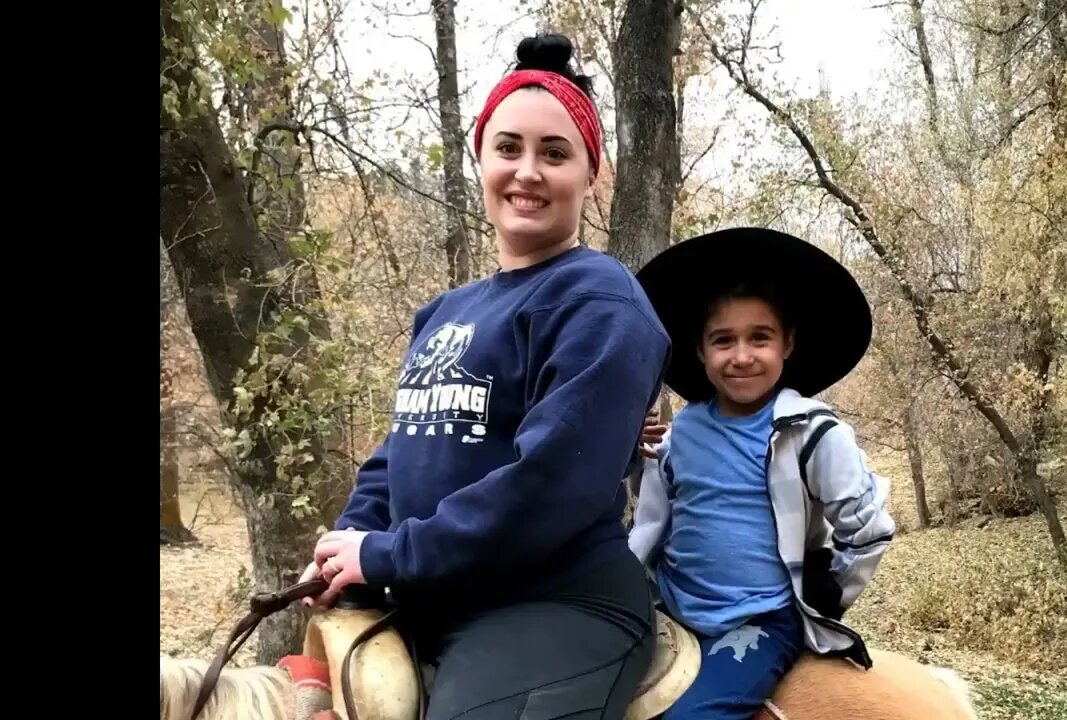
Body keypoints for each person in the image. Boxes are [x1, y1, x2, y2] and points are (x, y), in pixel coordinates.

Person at [298, 33, 672, 720]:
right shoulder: (444, 313)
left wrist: (388, 554)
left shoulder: (602, 302)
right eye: (508, 148)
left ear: (591, 174)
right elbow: (397, 457)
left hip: (556, 604)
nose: (527, 170)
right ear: (481, 160)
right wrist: (344, 548)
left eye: (555, 153)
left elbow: (550, 484)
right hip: (432, 592)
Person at [627, 226, 897, 720]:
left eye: (760, 338)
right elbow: (649, 525)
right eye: (723, 340)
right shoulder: (679, 436)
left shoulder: (811, 432)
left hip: (757, 621)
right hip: (669, 607)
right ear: (701, 352)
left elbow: (869, 528)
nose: (742, 356)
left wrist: (824, 596)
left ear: (787, 344)